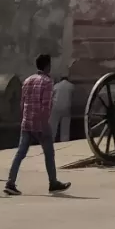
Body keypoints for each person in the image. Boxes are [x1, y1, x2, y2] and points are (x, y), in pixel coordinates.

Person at [6, 52, 70, 195]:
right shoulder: (47, 82)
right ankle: (53, 182)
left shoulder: (27, 80)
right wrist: (43, 124)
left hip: (27, 122)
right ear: (48, 66)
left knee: (20, 154)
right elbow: (46, 106)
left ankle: (10, 182)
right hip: (40, 123)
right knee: (49, 154)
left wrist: (24, 119)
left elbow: (22, 104)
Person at [51, 70, 75, 144]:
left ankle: (51, 140)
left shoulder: (56, 86)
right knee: (65, 126)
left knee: (53, 125)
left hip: (55, 107)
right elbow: (72, 97)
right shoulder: (71, 86)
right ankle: (65, 141)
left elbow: (51, 95)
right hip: (66, 107)